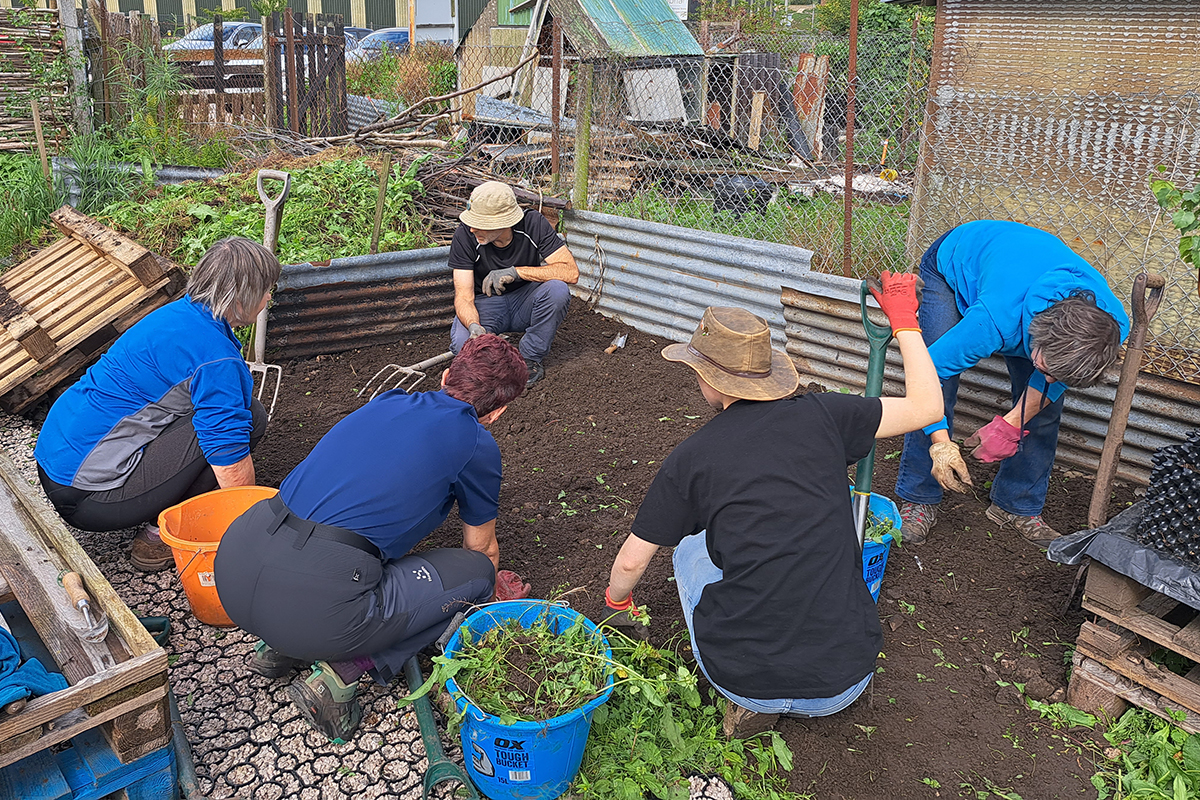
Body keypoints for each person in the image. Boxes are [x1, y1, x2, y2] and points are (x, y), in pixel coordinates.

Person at [599, 282, 944, 739]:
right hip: (846, 680)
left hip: (746, 684)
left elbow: (631, 560)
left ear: (707, 379)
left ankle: (754, 705)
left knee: (690, 550)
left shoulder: (692, 459)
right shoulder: (827, 416)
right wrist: (904, 321)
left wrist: (616, 602)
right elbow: (927, 406)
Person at [214, 334, 533, 743]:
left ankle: (280, 645)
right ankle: (340, 673)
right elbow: (481, 548)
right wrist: (487, 598)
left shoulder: (388, 401)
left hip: (235, 567)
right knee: (475, 575)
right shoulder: (475, 443)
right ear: (499, 411)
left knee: (337, 546)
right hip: (316, 608)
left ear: (446, 375)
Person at [34, 237, 277, 572]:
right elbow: (229, 460)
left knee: (230, 410)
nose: (269, 298)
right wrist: (252, 531)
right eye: (267, 290)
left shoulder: (177, 314)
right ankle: (158, 539)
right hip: (88, 497)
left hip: (56, 462)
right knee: (248, 418)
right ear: (243, 297)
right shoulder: (214, 358)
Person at [894, 220, 1130, 548]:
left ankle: (1016, 505)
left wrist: (1013, 423)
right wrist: (941, 443)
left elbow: (1051, 379)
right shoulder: (996, 319)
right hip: (956, 260)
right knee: (936, 394)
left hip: (1023, 264)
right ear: (1037, 336)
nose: (1049, 379)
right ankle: (919, 499)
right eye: (1047, 368)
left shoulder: (1112, 325)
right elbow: (926, 374)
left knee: (1042, 411)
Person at [448, 181, 579, 388]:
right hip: (486, 305)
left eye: (480, 223)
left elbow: (570, 272)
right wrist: (474, 325)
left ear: (503, 221)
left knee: (557, 289)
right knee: (461, 344)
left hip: (525, 301)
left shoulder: (533, 224)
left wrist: (517, 272)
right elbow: (463, 296)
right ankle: (494, 365)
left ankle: (529, 358)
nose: (472, 228)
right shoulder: (465, 235)